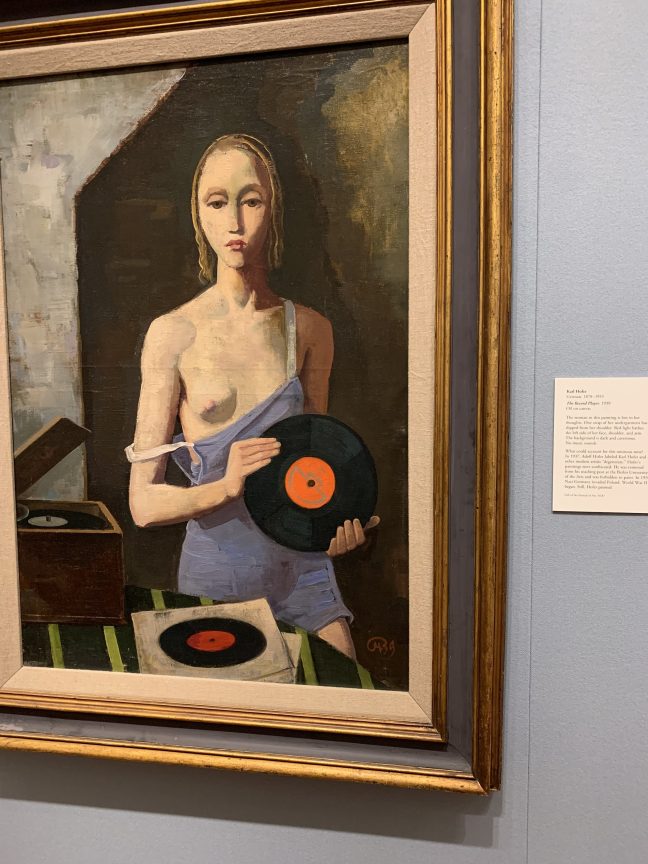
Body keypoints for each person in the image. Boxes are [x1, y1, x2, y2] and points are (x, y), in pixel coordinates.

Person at [126, 133, 379, 659]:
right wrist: (226, 486)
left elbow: (322, 468)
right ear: (198, 215)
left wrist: (342, 528)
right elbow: (143, 506)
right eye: (218, 202)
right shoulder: (172, 334)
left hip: (305, 576)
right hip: (216, 579)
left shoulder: (310, 330)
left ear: (273, 209)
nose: (235, 223)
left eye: (251, 200)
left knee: (348, 690)